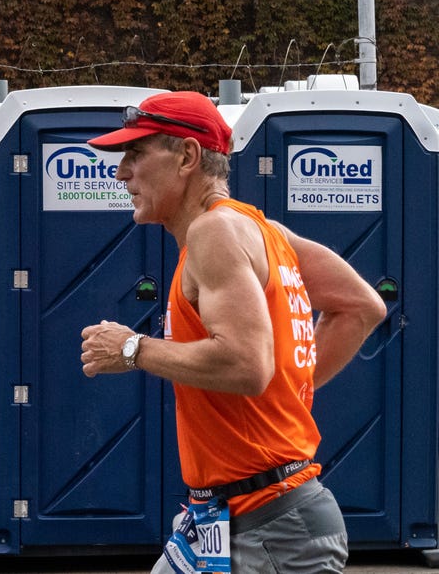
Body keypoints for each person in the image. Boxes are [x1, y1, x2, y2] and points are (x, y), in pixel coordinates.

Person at [78, 92, 385, 573]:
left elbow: (246, 363)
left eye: (136, 154)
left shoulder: (213, 232)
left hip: (272, 529)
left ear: (187, 156)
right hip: (227, 521)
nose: (121, 173)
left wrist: (133, 349)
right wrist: (284, 391)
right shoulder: (263, 231)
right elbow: (361, 307)